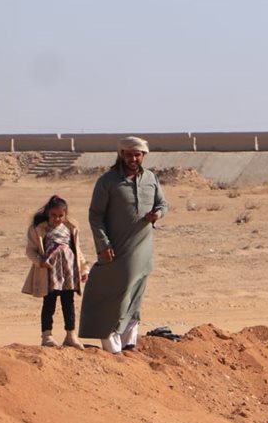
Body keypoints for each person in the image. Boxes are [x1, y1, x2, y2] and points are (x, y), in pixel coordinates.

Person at [78, 136, 167, 354]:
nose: (133, 159)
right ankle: (109, 341)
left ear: (143, 156)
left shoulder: (150, 178)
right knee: (115, 291)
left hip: (144, 247)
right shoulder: (107, 181)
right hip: (116, 247)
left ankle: (129, 342)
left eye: (137, 155)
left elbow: (162, 203)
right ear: (121, 155)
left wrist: (158, 214)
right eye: (129, 154)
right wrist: (103, 245)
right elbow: (95, 215)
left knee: (136, 292)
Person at [22, 194, 89, 348]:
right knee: (49, 303)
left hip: (69, 271)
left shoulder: (71, 228)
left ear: (65, 215)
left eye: (60, 215)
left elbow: (77, 250)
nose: (57, 219)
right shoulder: (39, 229)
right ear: (47, 213)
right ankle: (47, 336)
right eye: (53, 215)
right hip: (49, 272)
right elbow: (30, 251)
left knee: (68, 303)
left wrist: (84, 269)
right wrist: (40, 262)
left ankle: (71, 336)